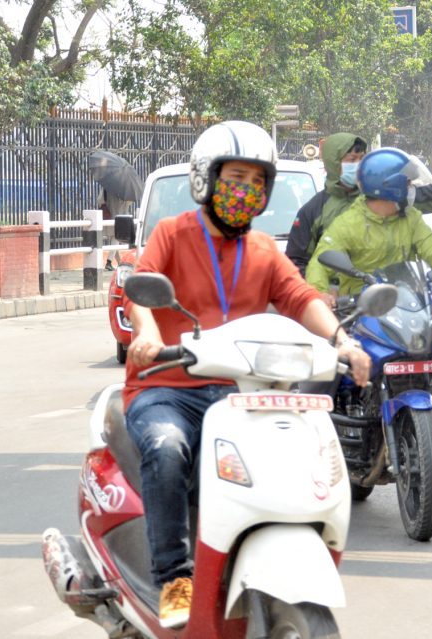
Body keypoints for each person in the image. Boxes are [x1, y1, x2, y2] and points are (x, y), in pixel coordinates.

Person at [122, 121, 371, 629]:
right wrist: (147, 335)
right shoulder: (172, 233)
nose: (247, 191)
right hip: (169, 387)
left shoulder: (262, 251)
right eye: (236, 177)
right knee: (168, 448)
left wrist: (343, 341)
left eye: (258, 182)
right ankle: (174, 576)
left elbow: (301, 299)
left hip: (241, 393)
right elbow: (139, 290)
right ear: (205, 180)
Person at [304, 146, 432, 514]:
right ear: (389, 188)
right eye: (406, 183)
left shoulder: (410, 219)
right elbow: (322, 260)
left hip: (407, 311)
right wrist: (321, 292)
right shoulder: (348, 223)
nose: (411, 189)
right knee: (327, 382)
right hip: (365, 315)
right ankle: (315, 464)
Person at [285, 131, 432, 276]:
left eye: (362, 158)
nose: (358, 165)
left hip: (396, 299)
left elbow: (426, 196)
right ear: (333, 163)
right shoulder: (313, 212)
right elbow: (296, 263)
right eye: (351, 160)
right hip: (345, 307)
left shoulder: (384, 195)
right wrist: (323, 292)